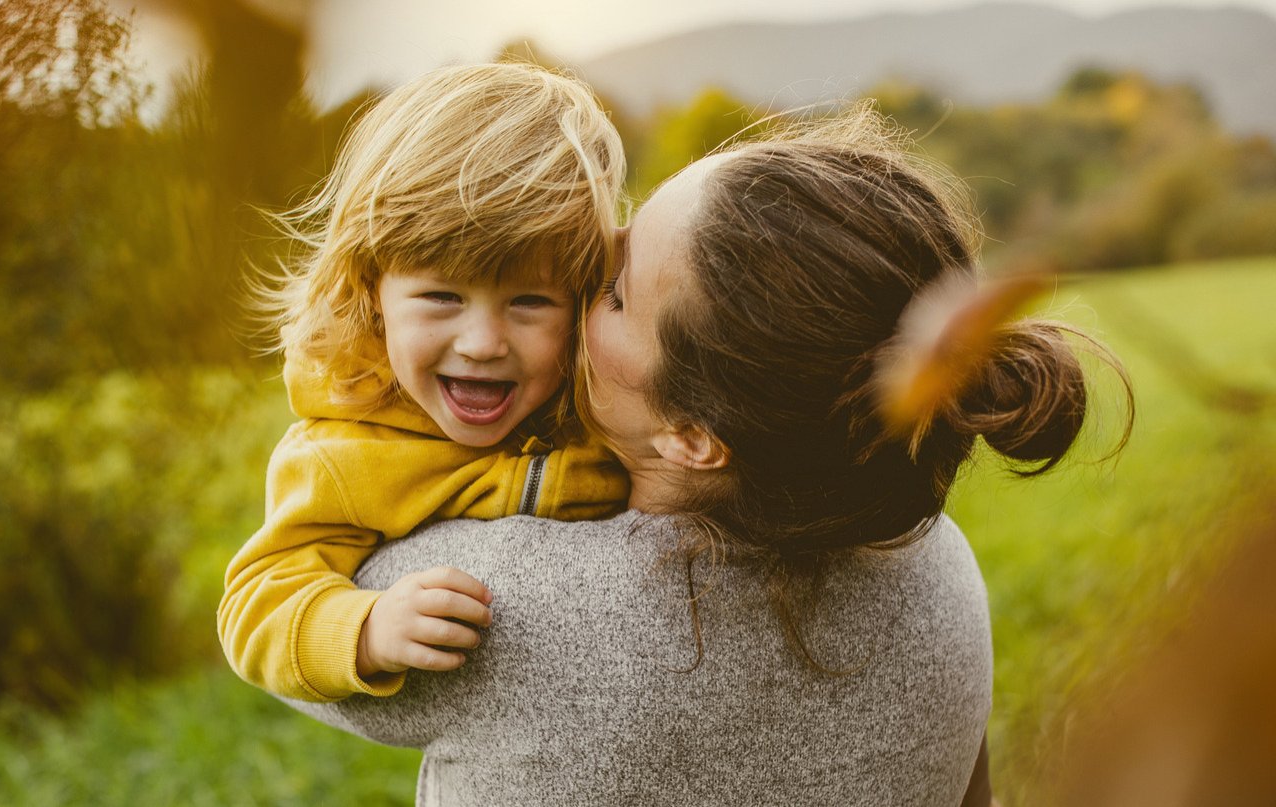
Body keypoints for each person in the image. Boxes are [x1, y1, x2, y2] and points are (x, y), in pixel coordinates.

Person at [285, 104, 1129, 805]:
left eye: (612, 294)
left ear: (692, 434)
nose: (587, 264)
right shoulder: (936, 560)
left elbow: (289, 631)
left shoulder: (493, 604)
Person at [217, 63, 632, 704]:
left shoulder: (605, 398)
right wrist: (366, 629)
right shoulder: (344, 453)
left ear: (581, 303)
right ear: (371, 292)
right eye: (441, 297)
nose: (483, 343)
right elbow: (256, 602)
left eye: (529, 302)